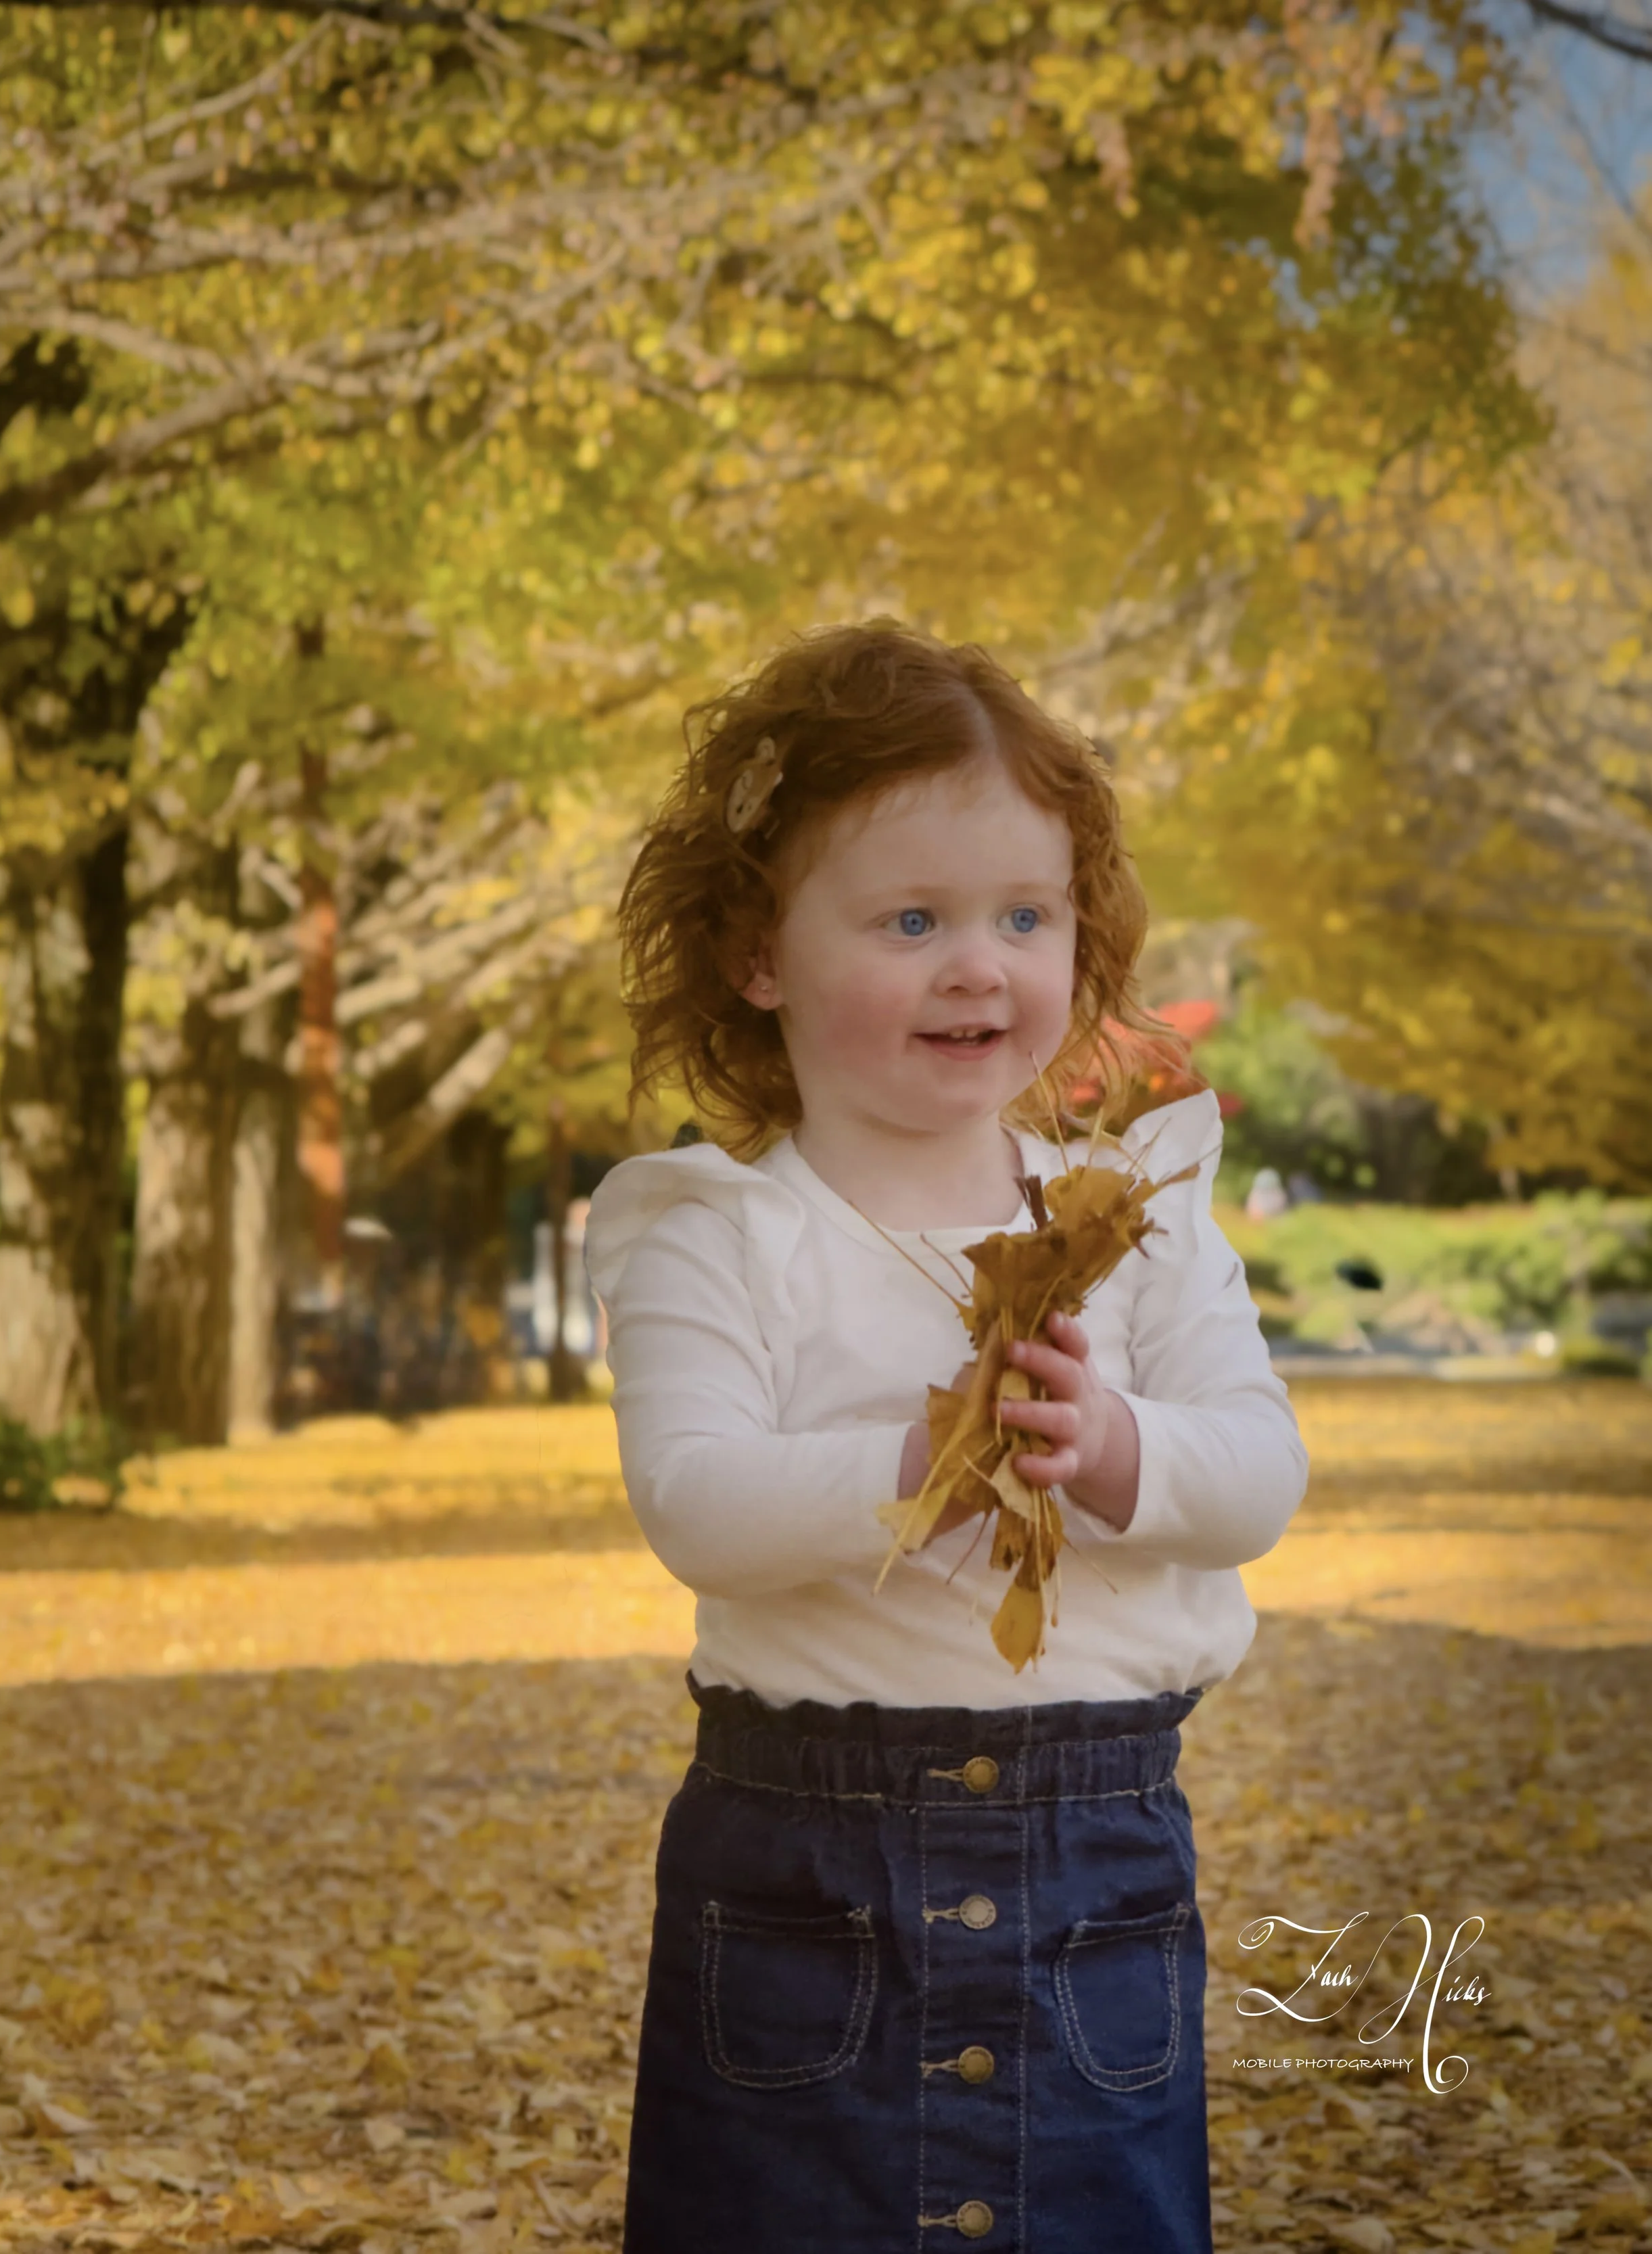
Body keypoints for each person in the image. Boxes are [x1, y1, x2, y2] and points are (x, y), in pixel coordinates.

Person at [582, 619, 1308, 2254]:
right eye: (910, 918)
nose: (977, 963)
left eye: (1021, 916)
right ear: (756, 952)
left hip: (1094, 1862)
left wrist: (1116, 1450)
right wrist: (913, 1471)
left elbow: (1256, 1469)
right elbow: (695, 1502)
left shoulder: (1135, 1222)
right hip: (802, 1876)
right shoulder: (714, 1234)